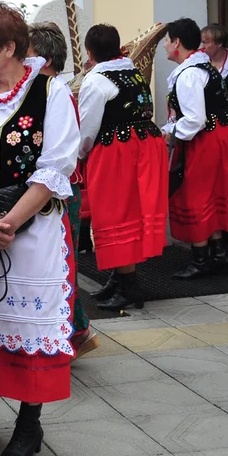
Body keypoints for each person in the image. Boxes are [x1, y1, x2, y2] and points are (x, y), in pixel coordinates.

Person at [0, 4, 81, 456]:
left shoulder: (51, 93)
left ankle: (30, 424)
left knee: (29, 327)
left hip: (32, 232)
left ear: (9, 48)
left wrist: (8, 222)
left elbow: (55, 168)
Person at [77, 24, 169, 310]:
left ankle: (130, 287)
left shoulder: (96, 82)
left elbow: (87, 130)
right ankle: (119, 278)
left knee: (116, 214)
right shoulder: (134, 73)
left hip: (117, 151)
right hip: (146, 146)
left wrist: (80, 154)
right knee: (129, 212)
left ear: (89, 53)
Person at [27, 21, 96, 354]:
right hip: (57, 189)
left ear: (41, 57)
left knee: (62, 265)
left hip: (60, 190)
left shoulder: (52, 91)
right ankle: (78, 331)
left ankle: (72, 333)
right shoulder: (44, 88)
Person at [162, 18, 228, 278]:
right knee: (208, 196)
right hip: (221, 133)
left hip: (208, 138)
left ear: (177, 43)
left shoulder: (189, 74)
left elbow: (195, 120)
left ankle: (201, 259)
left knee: (195, 194)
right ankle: (219, 254)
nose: (164, 46)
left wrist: (169, 132)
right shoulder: (202, 66)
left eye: (167, 41)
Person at [201, 23, 228, 93]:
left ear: (219, 43)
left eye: (206, 42)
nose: (202, 47)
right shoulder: (201, 62)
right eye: (202, 42)